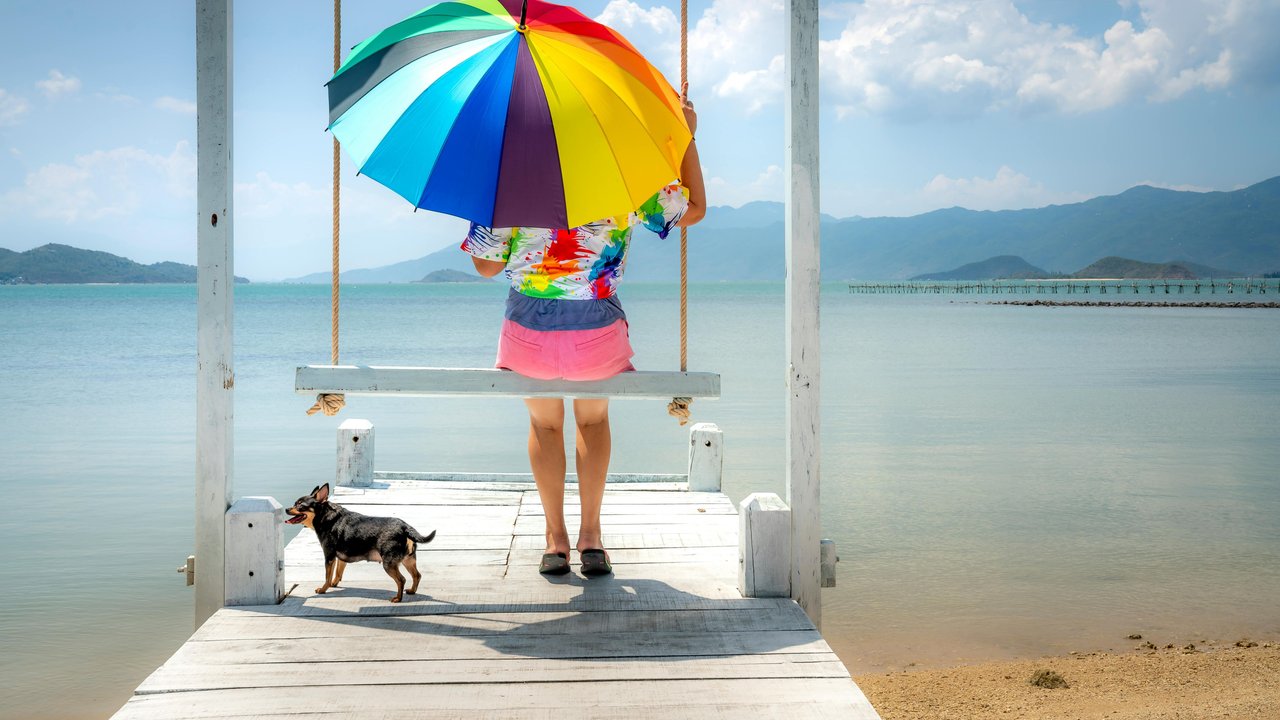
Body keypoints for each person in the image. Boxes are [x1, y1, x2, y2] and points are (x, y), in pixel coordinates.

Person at [460, 92, 706, 577]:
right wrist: (685, 135)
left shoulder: (512, 180)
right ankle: (591, 537)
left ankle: (556, 541)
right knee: (592, 423)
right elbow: (693, 208)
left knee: (544, 425)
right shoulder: (623, 179)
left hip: (527, 330)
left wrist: (488, 204)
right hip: (596, 329)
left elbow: (486, 267)